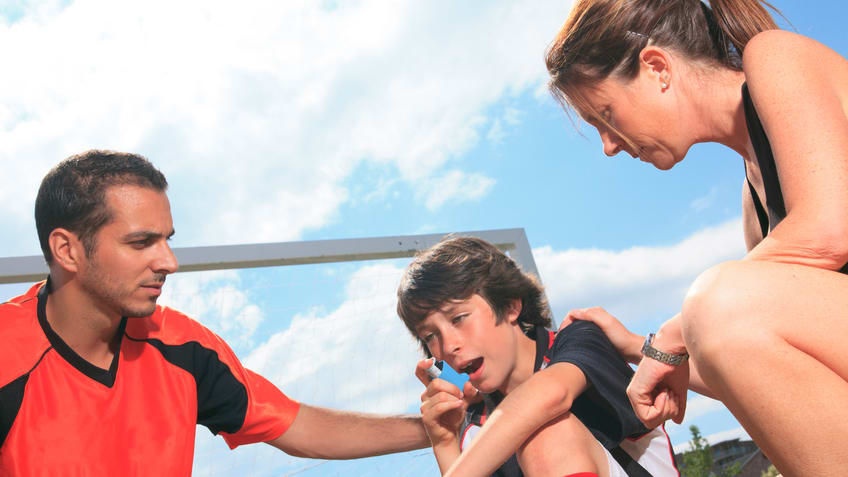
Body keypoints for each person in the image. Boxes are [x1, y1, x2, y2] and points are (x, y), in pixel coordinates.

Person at [544, 0, 848, 475]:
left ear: (657, 67)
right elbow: (738, 350)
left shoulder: (776, 58)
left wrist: (675, 330)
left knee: (718, 298)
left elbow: (831, 230)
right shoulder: (756, 208)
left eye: (605, 115)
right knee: (720, 306)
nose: (608, 146)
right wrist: (639, 347)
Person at [0, 150, 429, 476]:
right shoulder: (7, 353)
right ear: (67, 250)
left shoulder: (184, 347)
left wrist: (437, 426)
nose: (169, 261)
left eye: (167, 239)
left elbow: (302, 428)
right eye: (141, 242)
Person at [396, 236, 678, 477]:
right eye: (430, 335)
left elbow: (547, 395)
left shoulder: (578, 339)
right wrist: (445, 444)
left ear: (510, 306)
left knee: (544, 432)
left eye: (458, 318)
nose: (448, 345)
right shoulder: (474, 425)